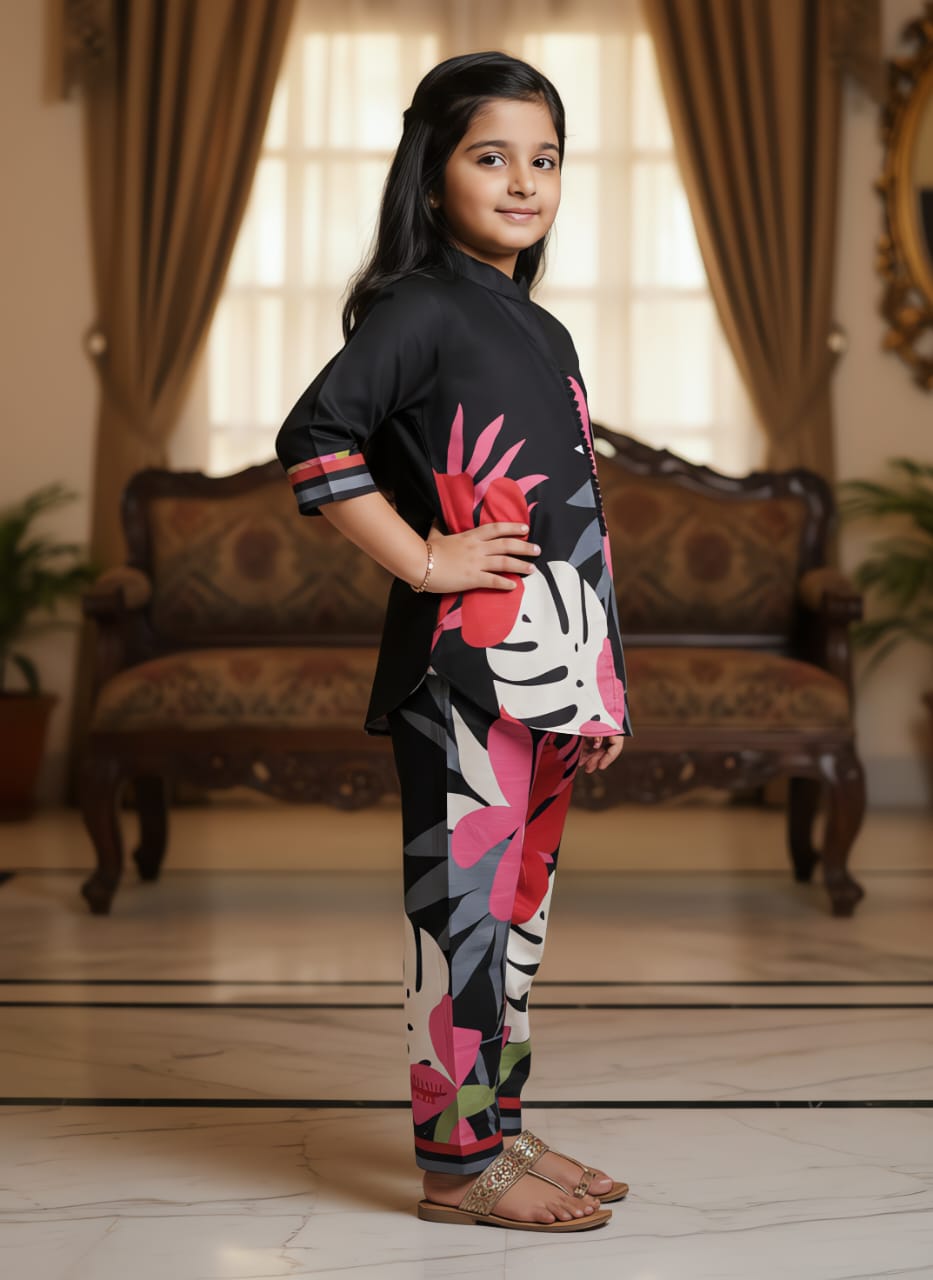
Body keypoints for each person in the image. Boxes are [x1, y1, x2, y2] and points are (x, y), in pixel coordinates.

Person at [276, 50, 633, 1234]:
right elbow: (316, 440)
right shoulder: (422, 307)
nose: (525, 182)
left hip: (548, 678)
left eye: (545, 159)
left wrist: (598, 685)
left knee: (515, 924)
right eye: (493, 157)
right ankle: (454, 1162)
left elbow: (577, 523)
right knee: (461, 923)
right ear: (432, 176)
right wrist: (428, 560)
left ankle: (502, 1128)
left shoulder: (543, 328)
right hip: (463, 674)